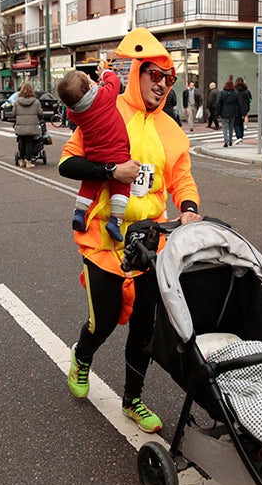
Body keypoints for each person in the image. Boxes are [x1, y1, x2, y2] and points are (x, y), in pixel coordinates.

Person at [60, 28, 201, 434]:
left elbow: (182, 179)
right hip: (104, 240)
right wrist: (111, 171)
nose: (161, 84)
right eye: (154, 75)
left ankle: (132, 399)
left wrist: (189, 208)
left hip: (148, 242)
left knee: (144, 326)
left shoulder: (172, 131)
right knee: (103, 321)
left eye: (168, 79)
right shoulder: (107, 109)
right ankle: (82, 357)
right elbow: (68, 163)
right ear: (138, 72)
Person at [57, 67, 131, 241]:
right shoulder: (104, 97)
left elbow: (82, 100)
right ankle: (115, 220)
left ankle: (79, 213)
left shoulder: (74, 113)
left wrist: (93, 85)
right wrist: (105, 72)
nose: (93, 80)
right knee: (122, 186)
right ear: (91, 88)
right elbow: (115, 81)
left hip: (94, 154)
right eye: (90, 79)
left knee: (90, 183)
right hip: (118, 153)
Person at [11, 82, 44, 169]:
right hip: (32, 126)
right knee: (29, 143)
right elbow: (40, 113)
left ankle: (21, 160)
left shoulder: (17, 102)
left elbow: (13, 113)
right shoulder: (36, 102)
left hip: (21, 126)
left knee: (21, 142)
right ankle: (28, 161)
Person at [216, 76, 242, 148]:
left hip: (224, 112)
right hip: (233, 112)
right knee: (231, 127)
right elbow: (239, 103)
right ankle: (230, 140)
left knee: (224, 126)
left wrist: (218, 112)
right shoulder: (235, 93)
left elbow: (218, 103)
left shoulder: (222, 93)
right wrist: (242, 112)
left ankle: (226, 140)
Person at [234, 77, 252, 144]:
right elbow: (249, 100)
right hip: (244, 108)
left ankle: (239, 136)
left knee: (236, 123)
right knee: (241, 123)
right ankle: (241, 136)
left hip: (236, 109)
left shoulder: (235, 91)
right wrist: (248, 109)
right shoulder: (246, 91)